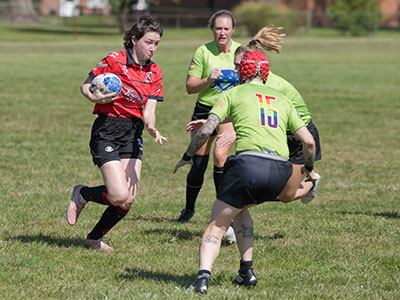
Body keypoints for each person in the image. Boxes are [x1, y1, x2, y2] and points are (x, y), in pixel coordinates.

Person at [173, 50, 319, 293]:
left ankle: (201, 279)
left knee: (217, 225)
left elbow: (205, 131)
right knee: (240, 210)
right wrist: (309, 168)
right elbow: (310, 142)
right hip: (279, 172)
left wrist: (188, 155)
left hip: (248, 166)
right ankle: (246, 272)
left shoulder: (232, 92)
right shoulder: (283, 99)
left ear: (244, 72)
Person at [66, 15, 168, 251]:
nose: (152, 48)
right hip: (108, 129)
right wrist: (93, 96)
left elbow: (150, 108)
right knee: (118, 195)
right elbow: (86, 84)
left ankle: (93, 238)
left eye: (156, 43)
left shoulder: (155, 72)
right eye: (149, 42)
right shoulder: (114, 61)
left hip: (133, 132)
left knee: (128, 199)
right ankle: (82, 193)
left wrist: (151, 126)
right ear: (134, 39)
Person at [225, 26, 322, 202]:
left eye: (240, 65)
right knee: (260, 185)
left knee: (286, 195)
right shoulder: (248, 82)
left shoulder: (269, 86)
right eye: (235, 65)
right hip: (278, 131)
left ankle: (312, 183)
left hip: (298, 136)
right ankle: (231, 219)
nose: (236, 70)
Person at [176, 9, 241, 223]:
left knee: (221, 158)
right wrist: (208, 80)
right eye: (218, 28)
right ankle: (188, 209)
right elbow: (190, 87)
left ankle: (223, 212)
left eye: (226, 28)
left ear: (233, 30)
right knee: (198, 163)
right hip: (204, 110)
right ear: (212, 29)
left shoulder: (241, 52)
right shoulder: (203, 52)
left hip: (228, 113)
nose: (222, 33)